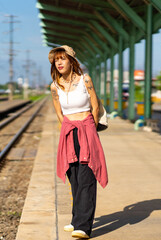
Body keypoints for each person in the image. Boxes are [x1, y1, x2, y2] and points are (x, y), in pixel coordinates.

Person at [49, 45, 108, 239]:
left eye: (62, 59)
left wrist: (91, 125)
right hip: (69, 132)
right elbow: (58, 110)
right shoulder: (54, 86)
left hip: (87, 129)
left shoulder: (85, 80)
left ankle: (83, 226)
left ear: (71, 61)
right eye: (56, 59)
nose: (59, 62)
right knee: (73, 175)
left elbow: (95, 105)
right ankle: (76, 220)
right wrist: (66, 126)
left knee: (87, 175)